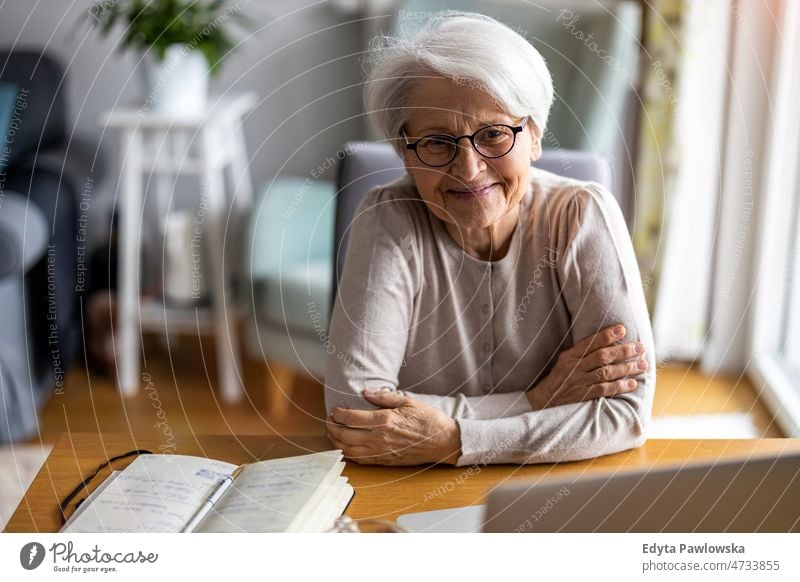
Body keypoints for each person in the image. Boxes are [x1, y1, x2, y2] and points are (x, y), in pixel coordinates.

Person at [324, 12, 655, 466]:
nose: (469, 169)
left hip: (556, 487)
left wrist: (454, 440)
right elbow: (357, 413)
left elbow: (626, 413)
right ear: (404, 152)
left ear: (534, 135)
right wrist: (539, 401)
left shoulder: (580, 214)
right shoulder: (388, 217)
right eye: (438, 142)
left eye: (494, 134)